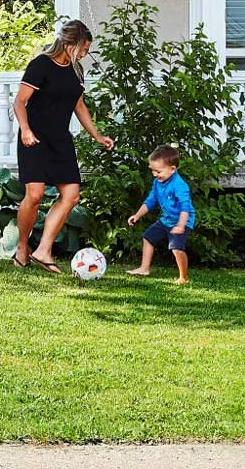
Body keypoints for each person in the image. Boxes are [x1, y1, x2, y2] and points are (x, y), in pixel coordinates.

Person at [12, 18, 113, 274]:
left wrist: (97, 135)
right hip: (34, 137)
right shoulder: (41, 65)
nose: (85, 54)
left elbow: (79, 106)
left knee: (71, 195)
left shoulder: (76, 71)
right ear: (71, 43)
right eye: (84, 49)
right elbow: (20, 102)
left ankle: (43, 250)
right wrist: (25, 130)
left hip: (60, 140)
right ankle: (22, 248)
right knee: (34, 196)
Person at [126, 143, 194, 284]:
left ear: (172, 169)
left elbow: (185, 208)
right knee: (148, 237)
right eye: (153, 171)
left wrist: (181, 225)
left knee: (176, 248)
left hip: (182, 220)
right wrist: (137, 215)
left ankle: (183, 277)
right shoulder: (158, 183)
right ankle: (144, 268)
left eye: (158, 171)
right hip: (167, 219)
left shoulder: (179, 186)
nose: (155, 175)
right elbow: (150, 201)